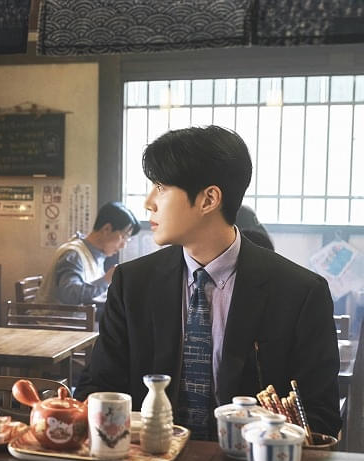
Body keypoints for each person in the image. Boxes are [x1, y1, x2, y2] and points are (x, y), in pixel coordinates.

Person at [75, 125, 341, 440]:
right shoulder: (132, 283)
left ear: (209, 199)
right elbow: (98, 388)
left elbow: (320, 416)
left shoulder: (300, 293)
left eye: (161, 187)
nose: (149, 202)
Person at [36, 202, 140, 306]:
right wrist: (107, 279)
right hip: (56, 316)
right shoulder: (73, 254)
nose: (123, 245)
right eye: (123, 237)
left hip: (81, 315)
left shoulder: (95, 253)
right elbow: (70, 295)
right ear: (107, 229)